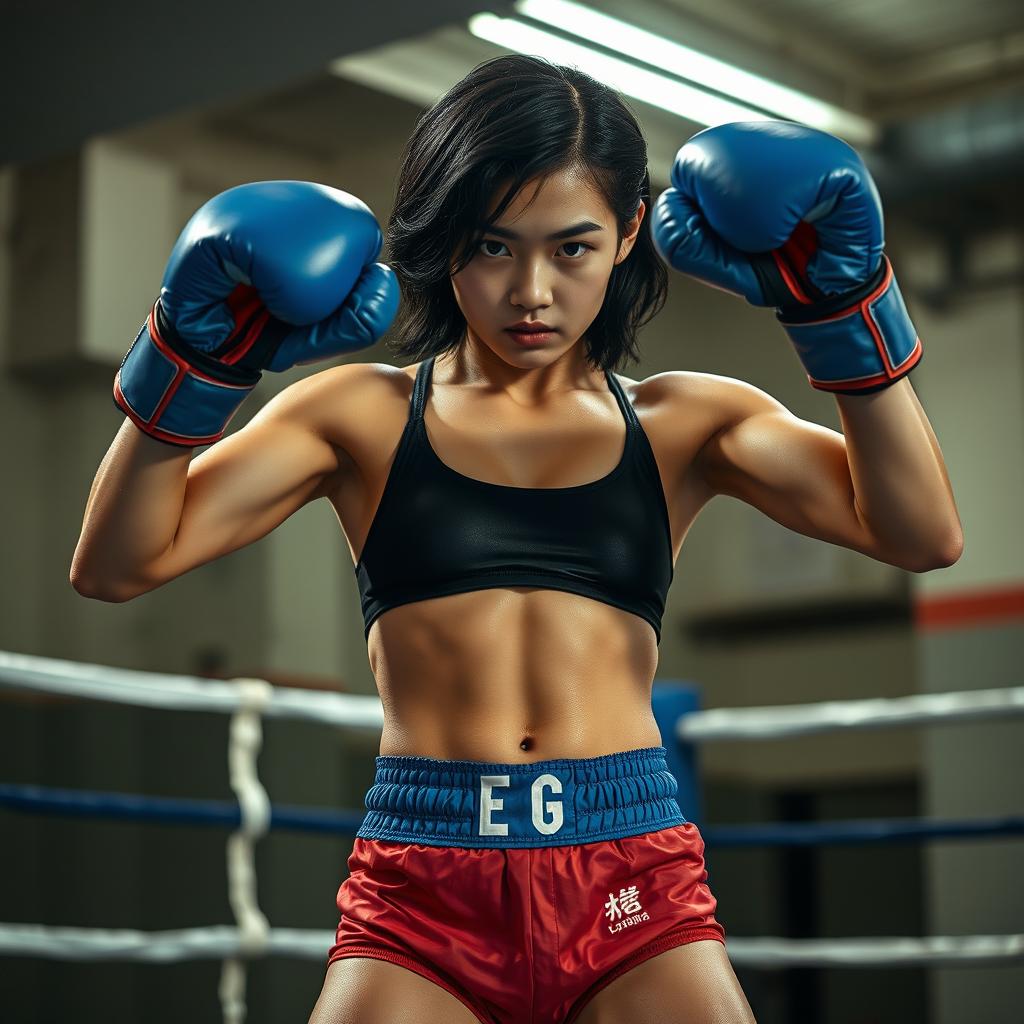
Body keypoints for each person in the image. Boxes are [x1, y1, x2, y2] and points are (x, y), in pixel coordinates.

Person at [71, 51, 961, 1024]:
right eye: (493, 247)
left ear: (626, 235)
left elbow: (919, 533)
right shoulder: (359, 416)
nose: (530, 290)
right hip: (423, 893)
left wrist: (843, 312)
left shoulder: (681, 424)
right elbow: (118, 564)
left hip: (630, 887)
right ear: (446, 241)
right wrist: (191, 364)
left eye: (570, 248)